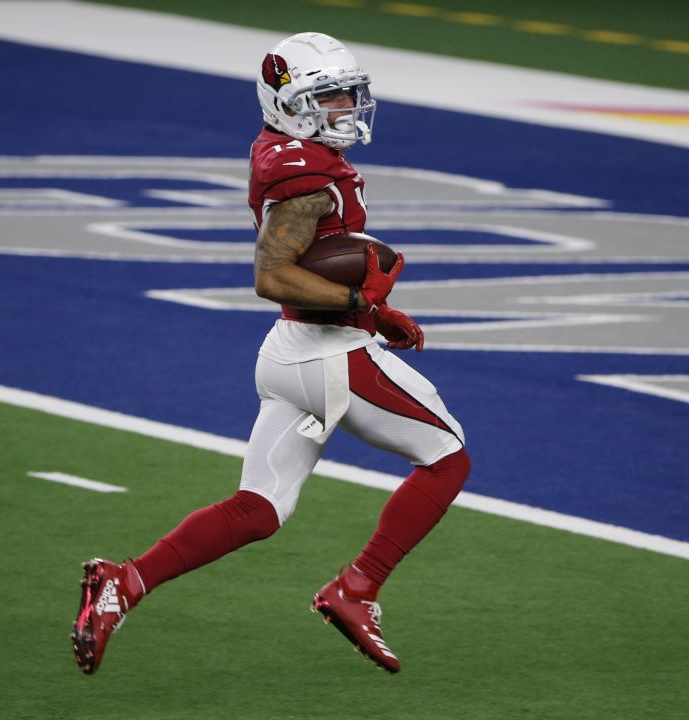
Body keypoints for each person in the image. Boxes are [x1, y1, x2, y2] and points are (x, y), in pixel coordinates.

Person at [73, 31, 470, 675]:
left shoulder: (287, 150)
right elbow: (273, 275)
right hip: (325, 353)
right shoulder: (308, 173)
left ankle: (122, 584)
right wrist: (362, 300)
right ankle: (358, 588)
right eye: (330, 96)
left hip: (291, 351)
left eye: (347, 93)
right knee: (447, 457)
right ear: (290, 102)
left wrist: (373, 310)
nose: (346, 106)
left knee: (258, 509)